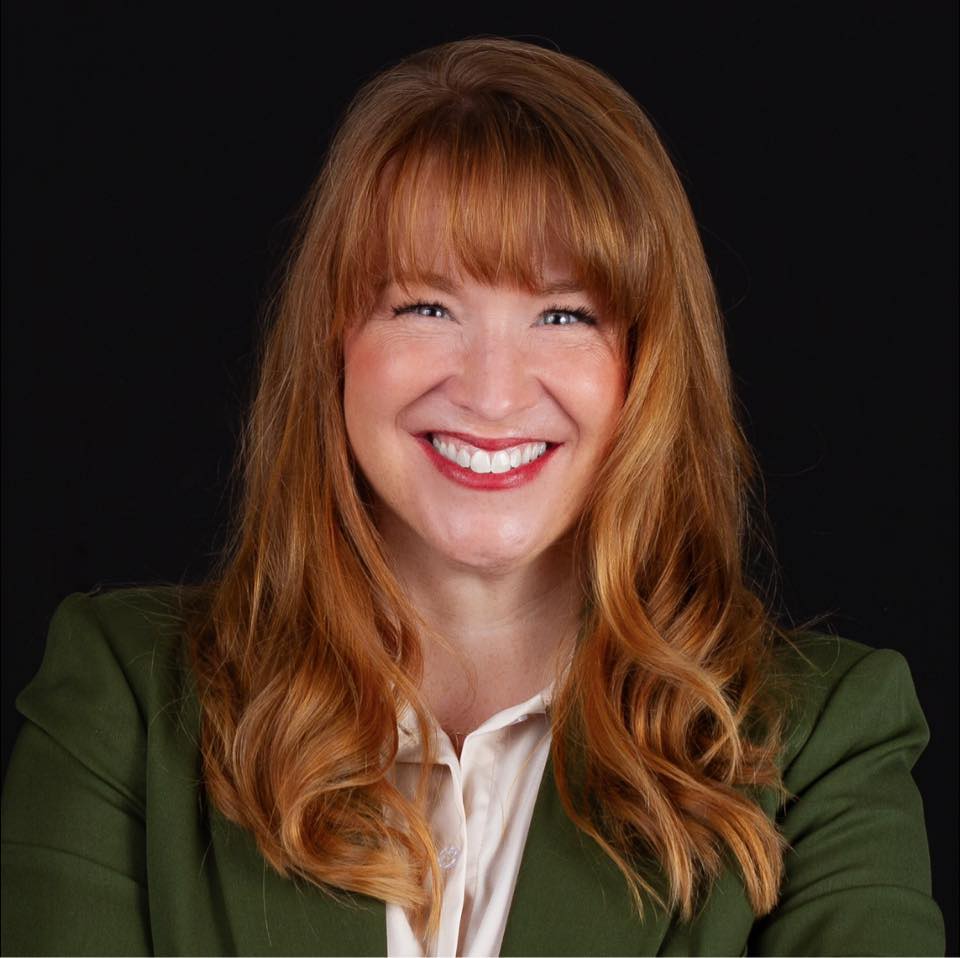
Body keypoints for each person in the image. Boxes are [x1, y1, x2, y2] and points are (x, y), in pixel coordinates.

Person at [1, 37, 945, 957]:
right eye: (425, 306)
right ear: (335, 344)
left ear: (647, 366)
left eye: (565, 315)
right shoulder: (125, 707)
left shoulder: (817, 744)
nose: (493, 394)